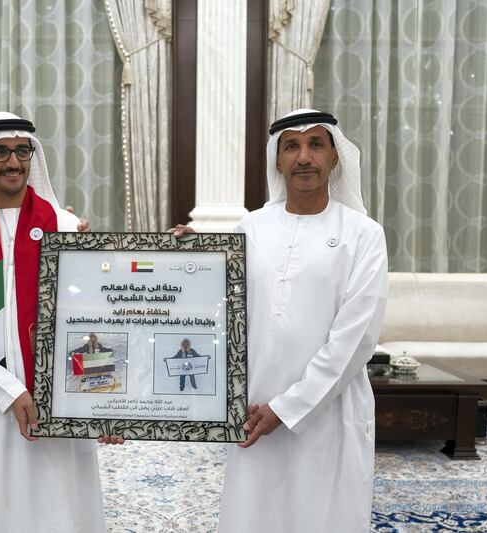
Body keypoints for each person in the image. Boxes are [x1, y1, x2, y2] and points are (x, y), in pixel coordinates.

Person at [173, 108, 388, 532]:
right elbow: (220, 309)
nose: (303, 157)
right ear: (278, 159)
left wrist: (288, 408)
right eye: (292, 146)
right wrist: (186, 260)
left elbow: (355, 340)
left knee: (323, 517)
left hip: (329, 415)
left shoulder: (363, 234)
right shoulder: (250, 227)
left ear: (335, 157)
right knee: (254, 516)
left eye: (315, 145)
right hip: (255, 409)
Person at [0, 112, 122, 533]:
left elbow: (93, 317)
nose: (13, 161)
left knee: (60, 507)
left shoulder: (63, 226)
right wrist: (9, 392)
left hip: (60, 403)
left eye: (21, 150)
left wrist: (106, 402)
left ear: (32, 156)